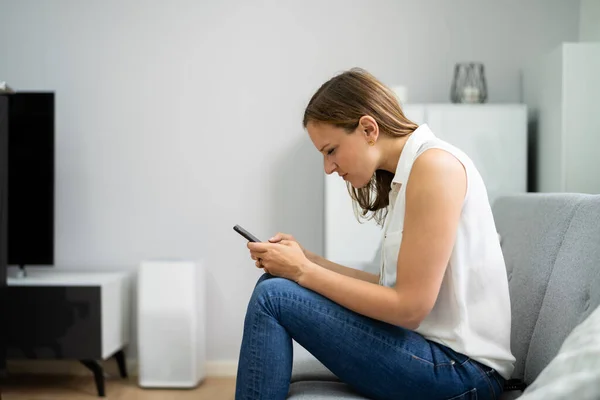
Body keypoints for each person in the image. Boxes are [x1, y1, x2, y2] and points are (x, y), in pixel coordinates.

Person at [235, 68, 515, 400]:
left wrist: (301, 271)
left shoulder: (435, 167)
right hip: (436, 356)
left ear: (368, 129)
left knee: (274, 296)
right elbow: (389, 290)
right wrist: (309, 260)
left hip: (462, 373)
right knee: (273, 285)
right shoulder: (408, 175)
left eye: (331, 150)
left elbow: (409, 308)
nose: (328, 167)